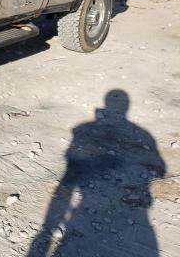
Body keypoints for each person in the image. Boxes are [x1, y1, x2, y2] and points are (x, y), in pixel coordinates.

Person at [27, 90, 166, 257]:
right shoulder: (143, 134)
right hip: (133, 217)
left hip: (89, 203)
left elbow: (70, 168)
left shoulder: (82, 130)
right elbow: (161, 169)